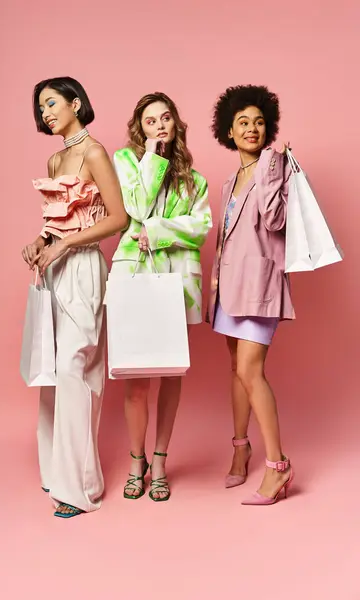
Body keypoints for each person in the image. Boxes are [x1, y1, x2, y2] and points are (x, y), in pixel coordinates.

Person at [21, 76, 127, 518]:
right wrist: (41, 241)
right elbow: (55, 221)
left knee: (75, 370)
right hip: (55, 270)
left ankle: (82, 488)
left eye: (51, 103)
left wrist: (67, 243)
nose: (46, 112)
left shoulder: (95, 152)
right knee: (51, 373)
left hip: (84, 268)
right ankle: (56, 475)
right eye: (40, 107)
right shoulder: (55, 159)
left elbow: (118, 218)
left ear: (75, 102)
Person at [111, 92, 212, 502]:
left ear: (176, 123)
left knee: (171, 372)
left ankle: (161, 461)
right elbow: (135, 205)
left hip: (177, 280)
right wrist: (152, 158)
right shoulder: (125, 161)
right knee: (136, 380)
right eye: (150, 121)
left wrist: (157, 230)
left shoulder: (196, 178)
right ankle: (137, 461)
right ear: (141, 129)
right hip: (134, 274)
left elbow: (201, 225)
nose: (160, 126)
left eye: (166, 118)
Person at [207, 84, 295, 505]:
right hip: (229, 286)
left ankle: (277, 467)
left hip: (259, 284)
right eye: (243, 122)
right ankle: (240, 449)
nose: (252, 128)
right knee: (235, 370)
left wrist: (272, 171)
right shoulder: (230, 178)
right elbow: (226, 234)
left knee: (250, 370)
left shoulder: (271, 167)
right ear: (228, 129)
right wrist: (214, 280)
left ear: (269, 127)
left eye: (259, 122)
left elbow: (276, 222)